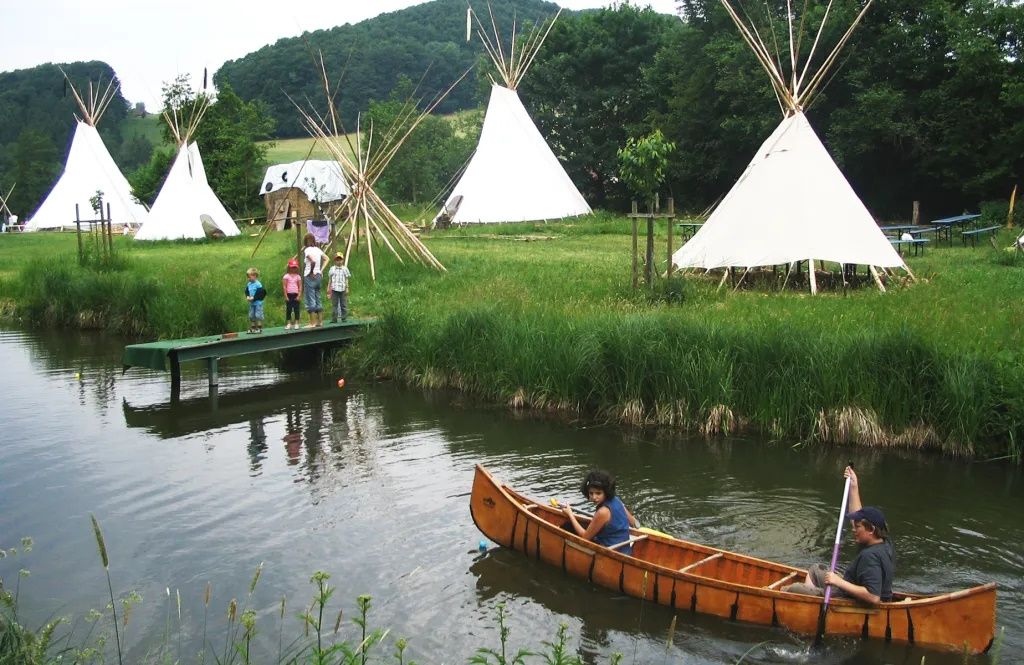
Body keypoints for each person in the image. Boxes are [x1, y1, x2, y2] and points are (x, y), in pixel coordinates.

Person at [783, 466, 895, 605]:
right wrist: (854, 487)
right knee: (815, 571)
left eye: (858, 527)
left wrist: (838, 581)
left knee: (792, 589)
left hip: (850, 599)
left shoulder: (870, 557)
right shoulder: (883, 541)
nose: (853, 529)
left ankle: (813, 605)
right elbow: (858, 517)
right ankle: (814, 602)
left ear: (871, 529)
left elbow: (873, 597)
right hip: (850, 587)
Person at [561, 470, 639, 555]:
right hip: (625, 550)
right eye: (591, 493)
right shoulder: (617, 500)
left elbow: (584, 538)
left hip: (612, 552)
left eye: (598, 493)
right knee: (582, 524)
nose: (594, 497)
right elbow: (633, 523)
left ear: (606, 492)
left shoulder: (603, 512)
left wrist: (570, 514)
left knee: (568, 525)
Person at [301, 233, 328, 328]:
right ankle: (320, 322)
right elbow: (326, 259)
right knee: (318, 297)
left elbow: (312, 261)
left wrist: (311, 271)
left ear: (305, 241)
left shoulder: (307, 250)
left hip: (310, 276)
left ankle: (312, 323)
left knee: (310, 299)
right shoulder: (318, 249)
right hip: (318, 276)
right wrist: (320, 270)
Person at [328, 252, 352, 323]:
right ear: (335, 261)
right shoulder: (332, 269)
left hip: (342, 289)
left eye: (340, 260)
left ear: (343, 260)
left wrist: (347, 287)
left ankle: (344, 318)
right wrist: (329, 288)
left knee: (343, 304)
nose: (339, 262)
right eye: (337, 260)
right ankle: (334, 318)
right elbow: (330, 279)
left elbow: (346, 278)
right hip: (334, 289)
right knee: (334, 304)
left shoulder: (345, 269)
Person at [282, 259, 303, 330]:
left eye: (295, 267)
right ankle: (289, 323)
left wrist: (299, 295)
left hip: (296, 294)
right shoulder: (286, 276)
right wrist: (285, 296)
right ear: (289, 267)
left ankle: (297, 323)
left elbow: (300, 286)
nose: (293, 269)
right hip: (289, 294)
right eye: (292, 267)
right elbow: (284, 286)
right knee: (289, 309)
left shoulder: (298, 276)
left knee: (297, 309)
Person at [245, 268, 266, 334]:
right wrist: (248, 296)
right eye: (247, 277)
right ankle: (253, 328)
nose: (248, 278)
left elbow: (260, 293)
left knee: (258, 315)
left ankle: (259, 328)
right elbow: (247, 291)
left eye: (249, 277)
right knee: (251, 315)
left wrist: (254, 298)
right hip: (252, 303)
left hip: (258, 303)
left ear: (255, 276)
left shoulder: (258, 284)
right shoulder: (249, 284)